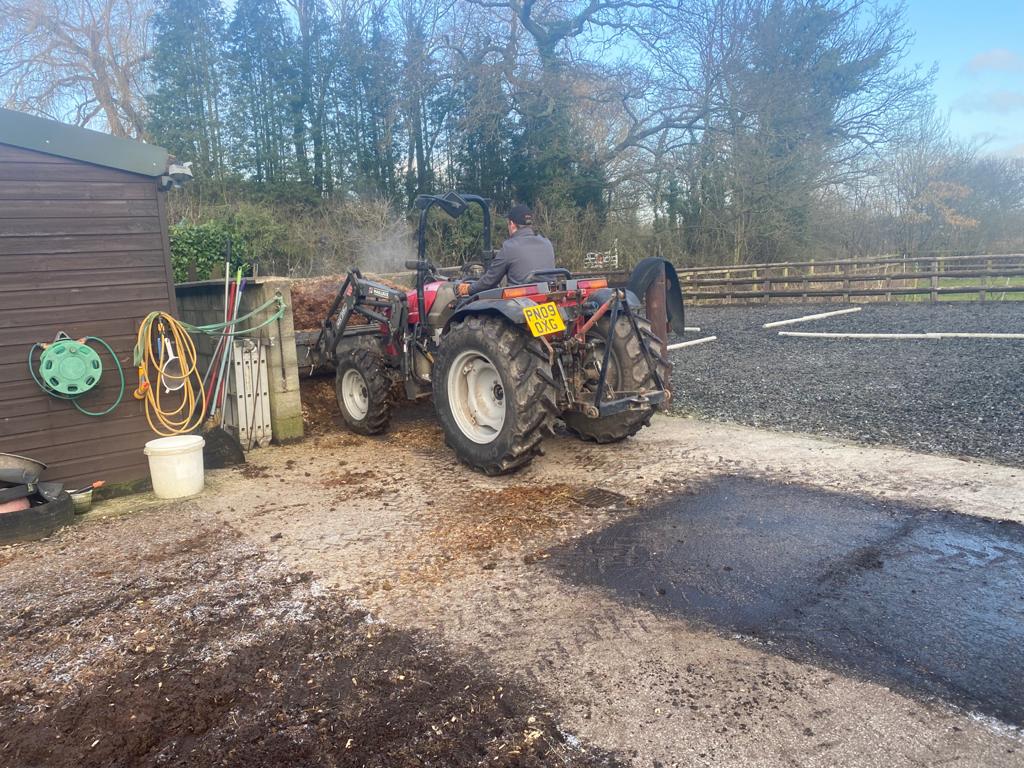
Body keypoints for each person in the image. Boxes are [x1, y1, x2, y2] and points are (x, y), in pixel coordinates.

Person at [456, 203, 555, 296]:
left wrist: (469, 288)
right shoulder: (547, 243)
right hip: (547, 295)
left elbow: (490, 281)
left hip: (519, 301)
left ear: (512, 224)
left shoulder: (510, 246)